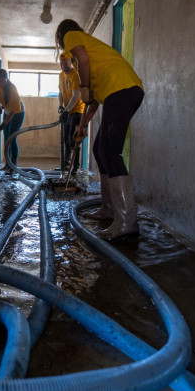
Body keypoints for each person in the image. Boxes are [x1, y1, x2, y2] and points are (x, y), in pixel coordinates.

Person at [55, 19, 144, 240]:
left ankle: (126, 222)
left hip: (121, 89)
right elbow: (92, 101)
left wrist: (83, 87)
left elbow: (82, 64)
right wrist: (82, 127)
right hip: (127, 90)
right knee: (99, 148)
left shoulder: (72, 36)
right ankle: (108, 209)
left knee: (109, 151)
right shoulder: (94, 59)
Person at [58, 53, 85, 173]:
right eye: (62, 63)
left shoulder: (75, 75)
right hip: (67, 111)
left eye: (66, 62)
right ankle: (66, 165)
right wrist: (60, 106)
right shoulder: (61, 75)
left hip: (77, 110)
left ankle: (76, 167)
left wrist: (67, 110)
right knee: (66, 140)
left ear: (70, 62)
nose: (64, 65)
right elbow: (60, 93)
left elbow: (75, 96)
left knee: (74, 138)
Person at [0, 69, 25, 169]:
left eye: (3, 81)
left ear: (7, 79)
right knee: (6, 137)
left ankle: (14, 165)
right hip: (7, 111)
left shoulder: (12, 89)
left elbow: (14, 110)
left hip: (18, 112)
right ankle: (8, 164)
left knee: (12, 137)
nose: (1, 84)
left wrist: (3, 124)